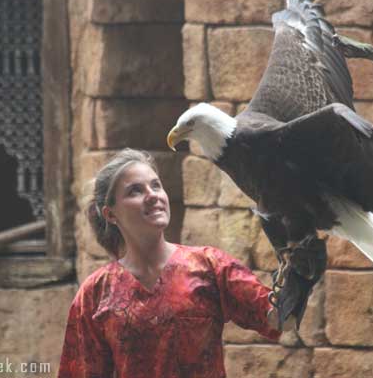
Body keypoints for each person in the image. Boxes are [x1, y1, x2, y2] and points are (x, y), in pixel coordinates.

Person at [57, 148, 281, 378]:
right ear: (110, 214)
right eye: (135, 190)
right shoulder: (95, 293)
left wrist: (294, 273)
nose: (153, 195)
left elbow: (275, 318)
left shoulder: (210, 266)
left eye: (156, 185)